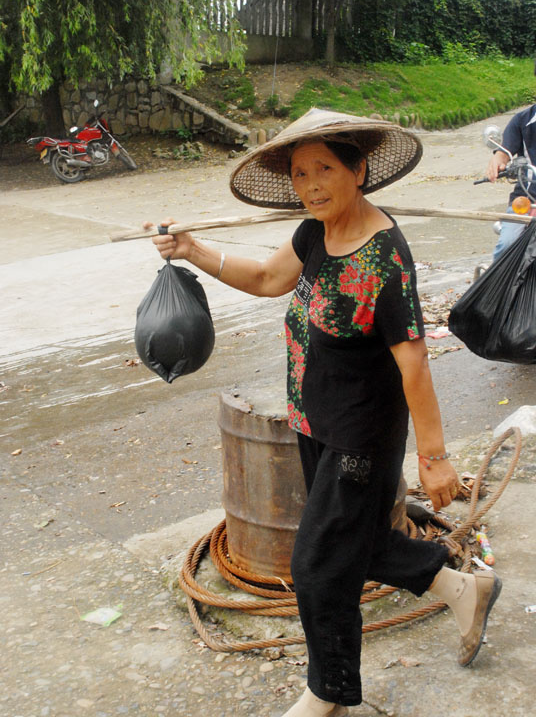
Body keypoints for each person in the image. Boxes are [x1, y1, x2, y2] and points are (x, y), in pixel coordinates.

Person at [146, 109, 502, 717]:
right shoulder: (314, 234)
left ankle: (327, 692)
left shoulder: (383, 260)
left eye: (325, 169)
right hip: (313, 424)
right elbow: (263, 277)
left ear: (359, 170)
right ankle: (462, 588)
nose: (310, 185)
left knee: (314, 566)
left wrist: (436, 460)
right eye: (300, 173)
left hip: (360, 439)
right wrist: (192, 249)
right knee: (351, 543)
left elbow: (415, 362)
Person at [486, 101, 536, 260]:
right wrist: (497, 160)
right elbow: (504, 151)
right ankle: (496, 284)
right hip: (527, 199)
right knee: (507, 246)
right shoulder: (522, 120)